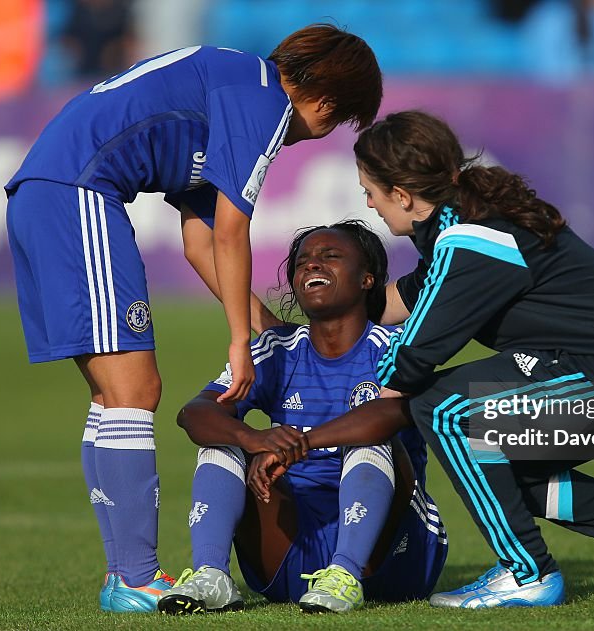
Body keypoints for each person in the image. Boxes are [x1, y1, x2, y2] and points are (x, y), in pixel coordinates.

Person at [252, 110, 594, 609]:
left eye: (371, 191)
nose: (369, 204)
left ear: (402, 195)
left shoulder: (469, 243)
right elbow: (384, 306)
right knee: (498, 469)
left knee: (444, 409)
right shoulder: (460, 227)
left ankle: (527, 573)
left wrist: (308, 438)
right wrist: (250, 308)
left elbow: (407, 367)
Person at [3, 25, 382, 613]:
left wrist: (266, 328)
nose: (312, 138)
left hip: (46, 191)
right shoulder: (263, 101)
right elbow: (232, 231)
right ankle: (135, 577)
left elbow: (200, 241)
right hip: (80, 193)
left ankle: (122, 579)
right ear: (328, 104)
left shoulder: (231, 85)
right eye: (331, 125)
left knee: (113, 396)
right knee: (136, 389)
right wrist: (239, 343)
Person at [159, 221, 447, 614]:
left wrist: (300, 442)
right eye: (303, 262)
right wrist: (254, 440)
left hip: (392, 557)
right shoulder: (278, 350)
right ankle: (211, 575)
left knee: (371, 436)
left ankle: (345, 573)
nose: (312, 266)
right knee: (222, 438)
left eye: (330, 257)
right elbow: (195, 413)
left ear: (368, 279)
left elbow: (391, 413)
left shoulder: (396, 348)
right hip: (291, 552)